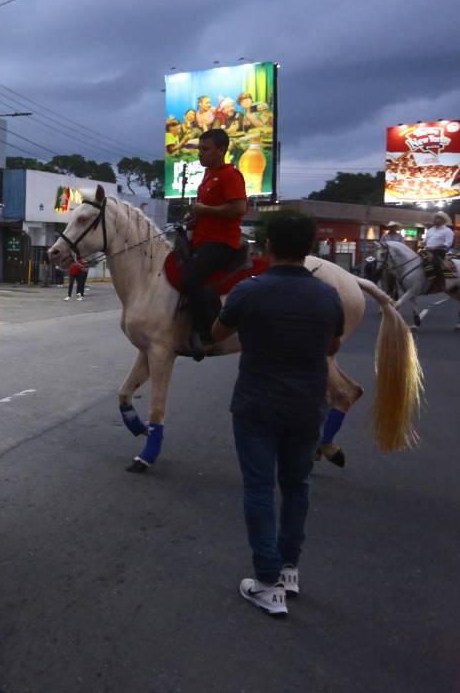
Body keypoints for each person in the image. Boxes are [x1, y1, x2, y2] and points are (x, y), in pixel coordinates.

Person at [211, 212, 344, 617]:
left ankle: (266, 582)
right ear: (310, 249)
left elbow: (217, 334)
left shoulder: (248, 291)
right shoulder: (328, 296)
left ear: (268, 245)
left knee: (258, 488)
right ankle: (289, 569)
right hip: (306, 407)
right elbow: (332, 347)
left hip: (256, 404)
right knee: (297, 486)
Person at [183, 129, 249, 357]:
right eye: (199, 149)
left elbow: (240, 208)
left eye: (205, 149)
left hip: (221, 242)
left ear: (221, 150)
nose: (199, 154)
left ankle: (210, 335)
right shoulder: (209, 176)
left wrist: (205, 210)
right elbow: (210, 212)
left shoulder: (230, 175)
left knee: (191, 277)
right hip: (203, 240)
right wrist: (196, 218)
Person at [422, 211, 454, 291]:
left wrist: (436, 247)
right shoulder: (430, 230)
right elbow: (425, 241)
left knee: (435, 264)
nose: (435, 220)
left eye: (437, 218)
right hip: (427, 250)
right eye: (435, 218)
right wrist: (423, 243)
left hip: (438, 252)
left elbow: (448, 243)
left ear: (443, 220)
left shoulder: (448, 231)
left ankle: (439, 283)